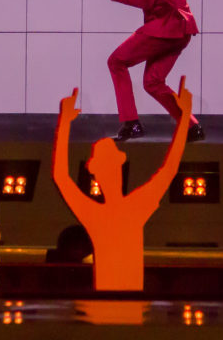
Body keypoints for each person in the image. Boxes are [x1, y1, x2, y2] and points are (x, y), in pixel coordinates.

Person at [52, 84, 192, 291]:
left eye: (110, 161)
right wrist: (184, 117)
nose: (110, 168)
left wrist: (64, 123)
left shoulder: (108, 211)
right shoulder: (127, 208)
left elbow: (170, 169)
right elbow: (169, 169)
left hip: (120, 302)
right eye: (106, 162)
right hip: (120, 302)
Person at [96, 0, 203, 142]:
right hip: (179, 29)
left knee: (116, 61)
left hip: (165, 27)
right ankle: (191, 126)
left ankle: (131, 124)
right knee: (153, 82)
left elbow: (146, 1)